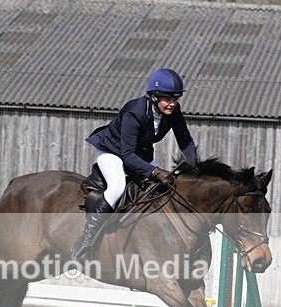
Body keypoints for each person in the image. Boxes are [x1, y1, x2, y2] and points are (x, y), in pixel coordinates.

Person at [71, 68, 198, 261]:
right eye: (167, 98)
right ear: (153, 96)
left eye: (176, 98)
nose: (172, 103)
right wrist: (155, 171)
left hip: (139, 154)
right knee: (117, 188)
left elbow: (186, 142)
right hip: (112, 152)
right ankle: (86, 241)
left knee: (164, 188)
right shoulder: (134, 112)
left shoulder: (174, 112)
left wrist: (196, 167)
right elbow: (127, 155)